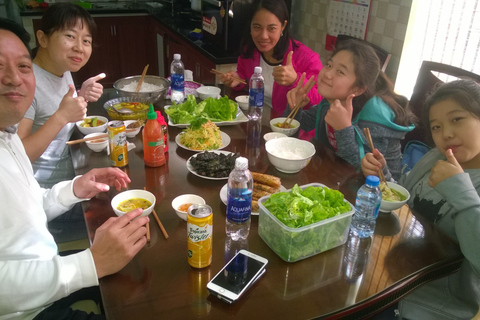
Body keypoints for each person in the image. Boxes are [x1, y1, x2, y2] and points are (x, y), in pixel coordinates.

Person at [0, 18, 148, 319]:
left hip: (45, 271)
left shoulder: (7, 134)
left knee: (143, 274)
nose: (14, 78)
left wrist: (73, 188)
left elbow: (24, 208)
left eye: (23, 67)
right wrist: (90, 264)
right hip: (25, 310)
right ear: (42, 39)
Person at [362, 79, 480, 319]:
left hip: (429, 306)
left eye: (457, 119)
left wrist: (460, 192)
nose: (446, 133)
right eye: (436, 127)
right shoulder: (435, 157)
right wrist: (383, 176)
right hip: (390, 278)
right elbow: (406, 199)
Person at [16, 3, 106, 243]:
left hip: (69, 178)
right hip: (46, 203)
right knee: (116, 208)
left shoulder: (60, 69)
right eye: (69, 36)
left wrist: (81, 95)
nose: (80, 47)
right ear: (43, 38)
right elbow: (17, 156)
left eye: (86, 41)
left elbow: (55, 108)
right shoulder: (26, 85)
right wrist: (62, 116)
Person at [286, 39, 416, 180]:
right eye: (329, 65)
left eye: (340, 72)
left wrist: (343, 129)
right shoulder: (332, 101)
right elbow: (304, 123)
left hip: (377, 193)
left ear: (357, 89)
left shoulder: (375, 117)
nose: (328, 74)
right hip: (334, 177)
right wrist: (295, 106)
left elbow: (361, 170)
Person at [219, 0, 322, 120]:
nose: (263, 36)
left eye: (271, 28)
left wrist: (295, 80)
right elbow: (245, 78)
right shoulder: (249, 50)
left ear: (283, 26)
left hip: (290, 130)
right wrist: (237, 79)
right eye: (257, 27)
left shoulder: (308, 58)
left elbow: (320, 102)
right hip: (258, 122)